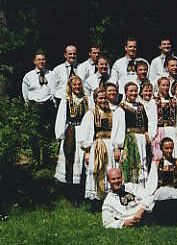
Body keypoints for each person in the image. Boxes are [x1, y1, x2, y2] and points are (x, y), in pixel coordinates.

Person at [111, 82, 156, 188]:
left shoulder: (141, 107)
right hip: (129, 141)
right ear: (126, 92)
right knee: (130, 165)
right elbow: (118, 129)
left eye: (135, 91)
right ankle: (130, 188)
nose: (133, 93)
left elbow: (146, 123)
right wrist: (117, 146)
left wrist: (146, 133)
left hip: (141, 141)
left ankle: (143, 189)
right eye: (131, 91)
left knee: (143, 164)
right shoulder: (121, 109)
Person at [54, 75, 89, 203]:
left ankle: (81, 191)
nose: (77, 87)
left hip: (83, 132)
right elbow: (61, 118)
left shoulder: (86, 100)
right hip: (70, 133)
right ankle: (69, 192)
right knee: (70, 160)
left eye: (79, 84)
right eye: (74, 85)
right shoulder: (66, 100)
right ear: (70, 86)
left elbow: (90, 117)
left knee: (82, 161)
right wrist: (60, 135)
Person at [80, 87, 116, 208]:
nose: (103, 100)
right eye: (100, 98)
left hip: (109, 145)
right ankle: (96, 201)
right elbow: (86, 134)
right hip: (97, 145)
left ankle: (109, 199)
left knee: (109, 169)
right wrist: (87, 151)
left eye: (105, 97)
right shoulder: (91, 114)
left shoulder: (112, 112)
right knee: (97, 169)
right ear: (95, 99)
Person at [21, 50, 57, 165]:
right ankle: (36, 159)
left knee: (47, 133)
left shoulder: (51, 75)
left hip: (48, 106)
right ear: (34, 61)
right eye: (39, 60)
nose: (41, 62)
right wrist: (28, 106)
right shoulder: (29, 76)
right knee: (35, 134)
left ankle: (46, 160)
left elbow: (54, 90)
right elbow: (25, 92)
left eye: (43, 59)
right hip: (34, 106)